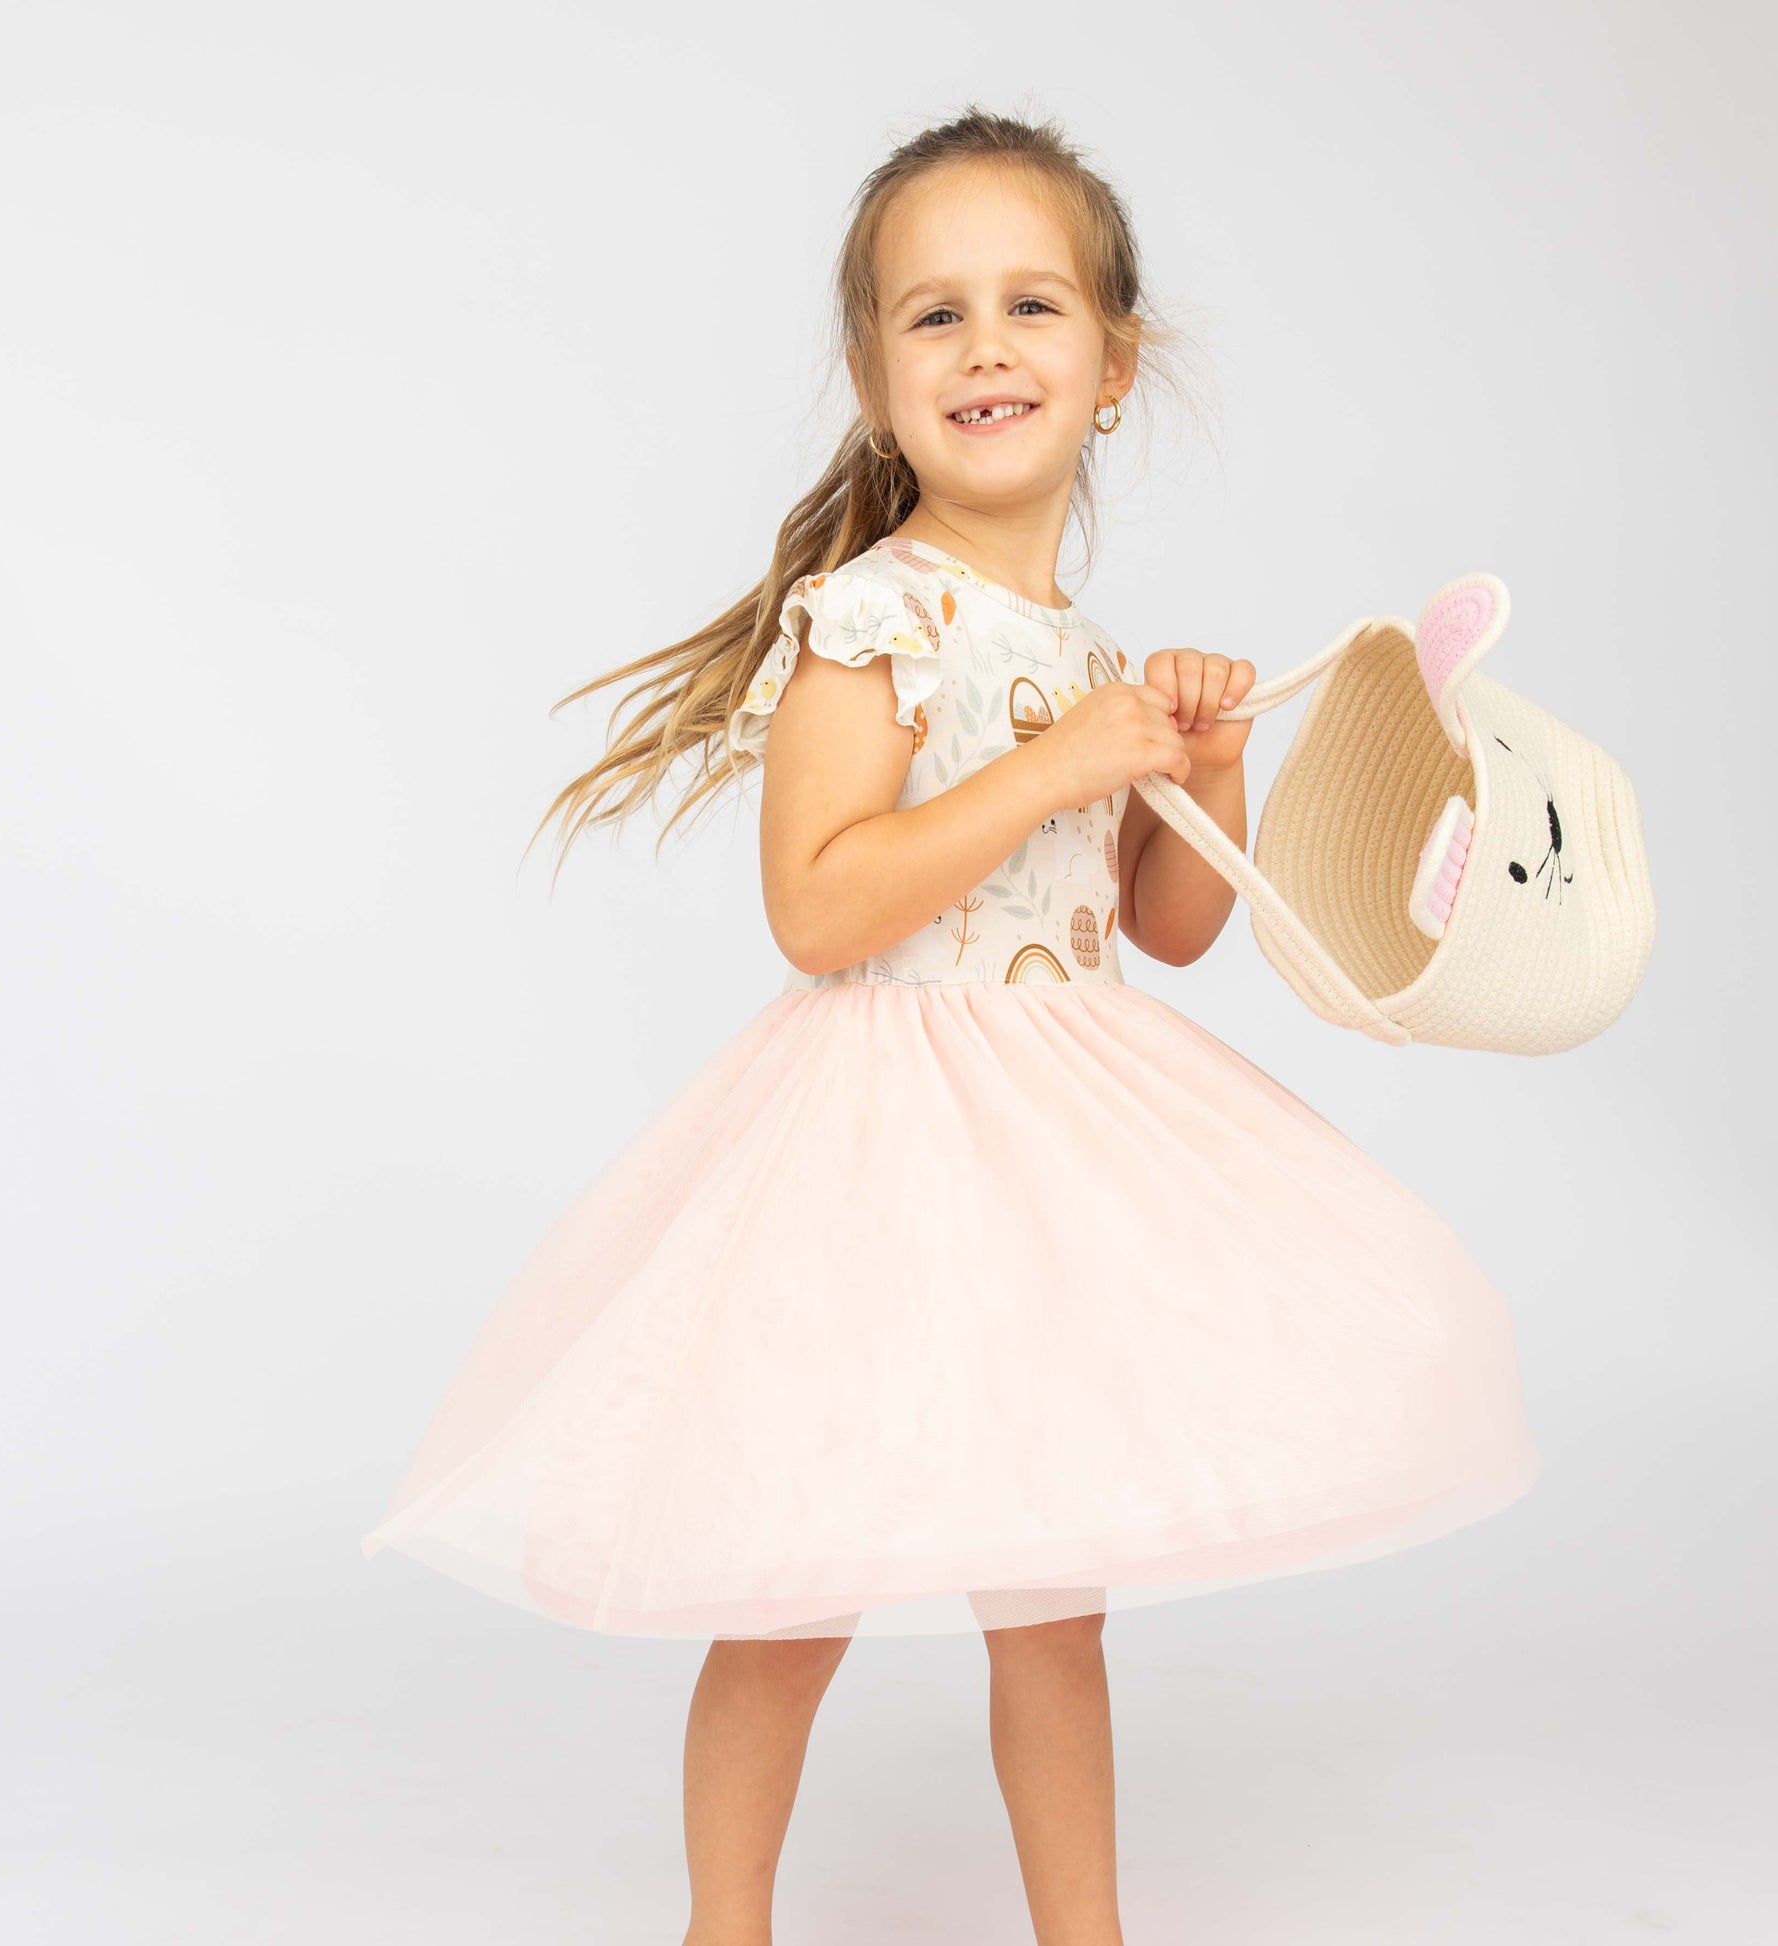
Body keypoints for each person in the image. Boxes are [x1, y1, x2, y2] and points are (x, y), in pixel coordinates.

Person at [362, 105, 1541, 1946]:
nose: (986, 348)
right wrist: (1058, 762)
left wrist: (1198, 767)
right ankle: (721, 1926)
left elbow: (1152, 929)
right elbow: (820, 904)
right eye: (934, 316)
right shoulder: (870, 620)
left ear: (1112, 365)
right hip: (872, 1136)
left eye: (1029, 306)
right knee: (791, 1575)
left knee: (1050, 1594)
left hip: (1053, 1148)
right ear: (869, 377)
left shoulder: (1085, 640)